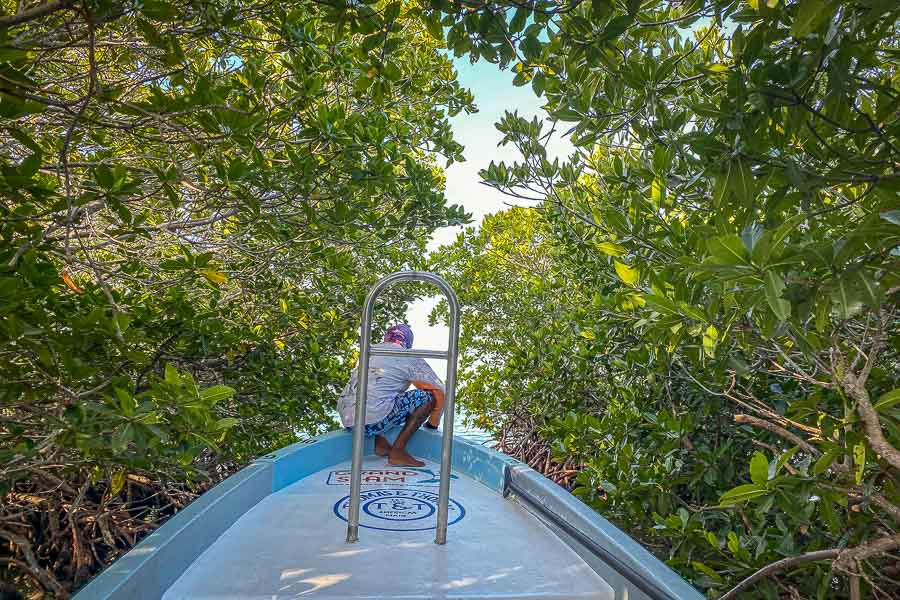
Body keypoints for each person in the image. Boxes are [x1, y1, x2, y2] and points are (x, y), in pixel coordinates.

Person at [337, 324, 445, 467]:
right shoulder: (407, 356)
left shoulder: (369, 351)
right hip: (373, 422)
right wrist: (433, 423)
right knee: (425, 398)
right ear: (408, 343)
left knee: (380, 394)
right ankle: (398, 451)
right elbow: (439, 391)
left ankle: (380, 444)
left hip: (349, 422)